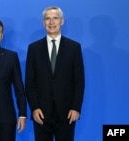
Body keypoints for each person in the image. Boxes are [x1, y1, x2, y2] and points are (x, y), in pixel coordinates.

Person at [25, 6, 85, 141]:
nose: (51, 22)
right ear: (43, 23)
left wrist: (76, 108)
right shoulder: (33, 48)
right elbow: (30, 82)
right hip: (41, 113)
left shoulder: (74, 47)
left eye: (55, 18)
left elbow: (79, 81)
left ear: (62, 21)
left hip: (67, 112)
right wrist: (34, 107)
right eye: (48, 19)